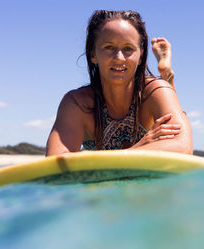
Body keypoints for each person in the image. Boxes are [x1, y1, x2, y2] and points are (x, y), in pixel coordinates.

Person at [46, 10, 192, 156]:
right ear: (93, 54)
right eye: (109, 47)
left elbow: (183, 148)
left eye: (128, 49)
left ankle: (168, 75)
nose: (119, 58)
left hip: (141, 175)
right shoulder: (78, 103)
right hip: (109, 177)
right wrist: (135, 149)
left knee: (166, 89)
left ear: (141, 56)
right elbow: (55, 160)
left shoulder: (155, 91)